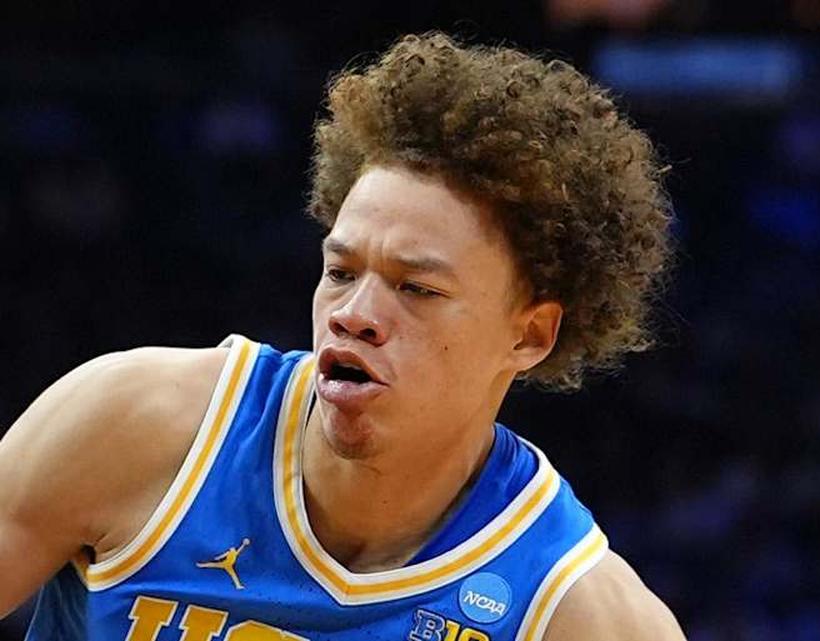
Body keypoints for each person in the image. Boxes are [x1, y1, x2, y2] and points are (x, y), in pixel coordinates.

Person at [0, 32, 684, 641]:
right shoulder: (139, 428)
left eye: (417, 288)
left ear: (529, 334)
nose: (354, 313)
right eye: (341, 269)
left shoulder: (575, 611)